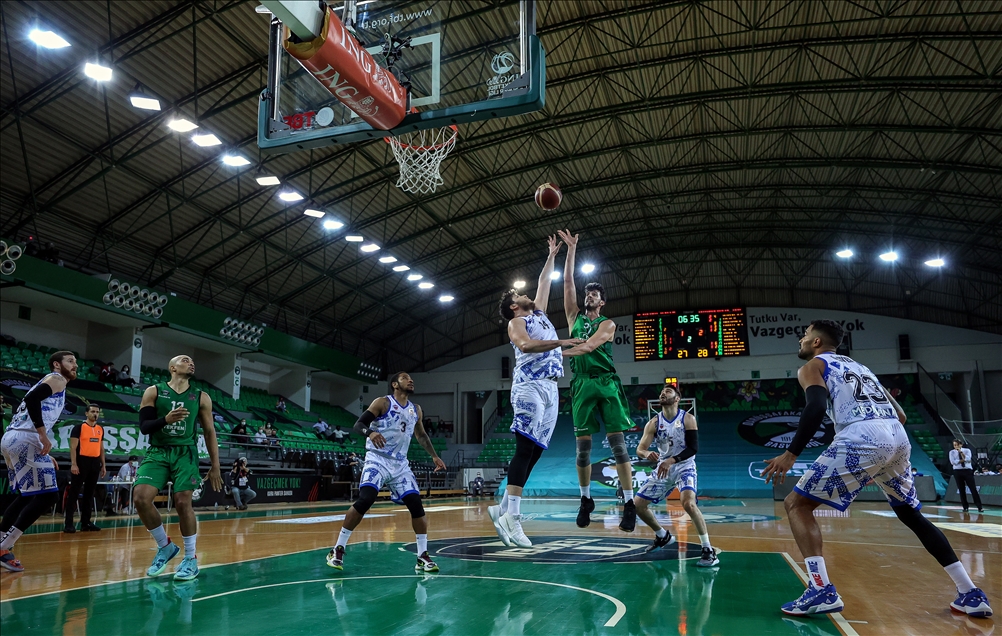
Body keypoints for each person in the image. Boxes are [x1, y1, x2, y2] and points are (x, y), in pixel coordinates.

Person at [762, 320, 992, 618]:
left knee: (797, 504)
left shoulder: (813, 366)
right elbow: (902, 415)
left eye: (805, 335)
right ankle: (970, 593)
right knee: (910, 513)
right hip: (897, 437)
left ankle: (821, 590)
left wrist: (791, 453)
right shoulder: (862, 368)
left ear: (817, 342)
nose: (801, 340)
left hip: (862, 437)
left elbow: (816, 407)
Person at [488, 235, 583, 549]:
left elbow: (545, 281)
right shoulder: (517, 322)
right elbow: (527, 346)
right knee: (524, 450)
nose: (527, 293)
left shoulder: (539, 313)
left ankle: (502, 508)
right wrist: (560, 343)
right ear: (514, 305)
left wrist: (553, 254)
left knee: (537, 451)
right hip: (528, 387)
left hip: (552, 389)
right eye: (519, 293)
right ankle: (513, 516)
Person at [557, 229, 637, 531]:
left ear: (601, 302)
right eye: (587, 292)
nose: (589, 294)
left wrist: (556, 354)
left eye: (595, 294)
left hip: (605, 383)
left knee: (619, 447)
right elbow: (566, 283)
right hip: (581, 384)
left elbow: (589, 346)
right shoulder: (573, 315)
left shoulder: (607, 323)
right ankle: (585, 499)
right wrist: (572, 249)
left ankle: (628, 502)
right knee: (583, 450)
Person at [326, 372, 446, 573]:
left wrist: (434, 455)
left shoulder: (416, 410)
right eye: (405, 378)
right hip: (377, 459)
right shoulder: (383, 403)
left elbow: (421, 435)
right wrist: (371, 433)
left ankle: (422, 556)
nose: (411, 380)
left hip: (400, 465)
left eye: (411, 378)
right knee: (366, 499)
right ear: (395, 384)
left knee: (416, 504)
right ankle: (337, 548)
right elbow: (359, 424)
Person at [134, 354, 222, 582]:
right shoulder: (153, 391)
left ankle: (191, 558)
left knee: (183, 501)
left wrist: (215, 465)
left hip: (185, 453)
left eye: (193, 360)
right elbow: (144, 427)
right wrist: (166, 420)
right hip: (158, 451)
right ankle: (165, 546)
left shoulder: (201, 397)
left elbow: (210, 431)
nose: (191, 362)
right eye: (185, 360)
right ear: (172, 367)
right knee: (141, 498)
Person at [0, 351, 76, 572]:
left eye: (76, 363)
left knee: (26, 496)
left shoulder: (51, 382)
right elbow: (31, 399)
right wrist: (41, 436)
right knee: (48, 496)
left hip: (12, 437)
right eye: (70, 361)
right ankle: (4, 547)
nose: (75, 366)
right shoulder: (57, 378)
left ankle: (2, 543)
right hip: (26, 438)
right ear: (56, 364)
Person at [632, 383, 720, 566]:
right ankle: (662, 535)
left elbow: (693, 448)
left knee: (688, 503)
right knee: (638, 505)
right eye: (662, 392)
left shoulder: (688, 418)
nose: (663, 394)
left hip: (684, 465)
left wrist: (671, 460)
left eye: (668, 392)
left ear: (677, 399)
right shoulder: (654, 423)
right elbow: (640, 449)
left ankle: (708, 548)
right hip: (663, 468)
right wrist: (648, 454)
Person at [64, 404, 107, 533]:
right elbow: (72, 448)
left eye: (97, 412)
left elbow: (101, 448)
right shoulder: (79, 428)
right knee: (74, 493)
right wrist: (74, 464)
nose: (95, 414)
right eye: (93, 411)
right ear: (86, 413)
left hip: (95, 462)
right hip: (81, 461)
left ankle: (86, 523)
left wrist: (103, 464)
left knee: (90, 493)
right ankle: (69, 524)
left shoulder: (100, 429)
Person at [950, 440, 984, 513]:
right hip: (957, 472)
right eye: (954, 445)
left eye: (957, 445)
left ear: (961, 445)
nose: (955, 446)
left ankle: (979, 506)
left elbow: (967, 459)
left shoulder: (967, 450)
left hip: (967, 471)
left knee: (973, 488)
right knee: (961, 489)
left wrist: (961, 453)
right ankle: (965, 506)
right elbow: (953, 462)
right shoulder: (951, 452)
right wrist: (962, 460)